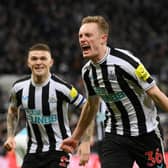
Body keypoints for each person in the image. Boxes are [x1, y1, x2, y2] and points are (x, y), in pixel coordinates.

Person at [61, 15, 168, 168]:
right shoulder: (87, 72)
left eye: (88, 35)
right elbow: (91, 105)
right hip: (116, 136)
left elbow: (156, 94)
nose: (82, 39)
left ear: (103, 38)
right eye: (80, 36)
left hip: (147, 134)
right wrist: (76, 137)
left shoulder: (127, 62)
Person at [3, 43, 87, 168]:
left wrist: (84, 140)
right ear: (28, 62)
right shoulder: (19, 88)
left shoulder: (62, 88)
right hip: (32, 151)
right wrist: (10, 136)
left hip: (59, 149)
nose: (38, 62)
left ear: (51, 62)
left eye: (43, 58)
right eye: (34, 58)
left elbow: (87, 106)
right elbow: (12, 111)